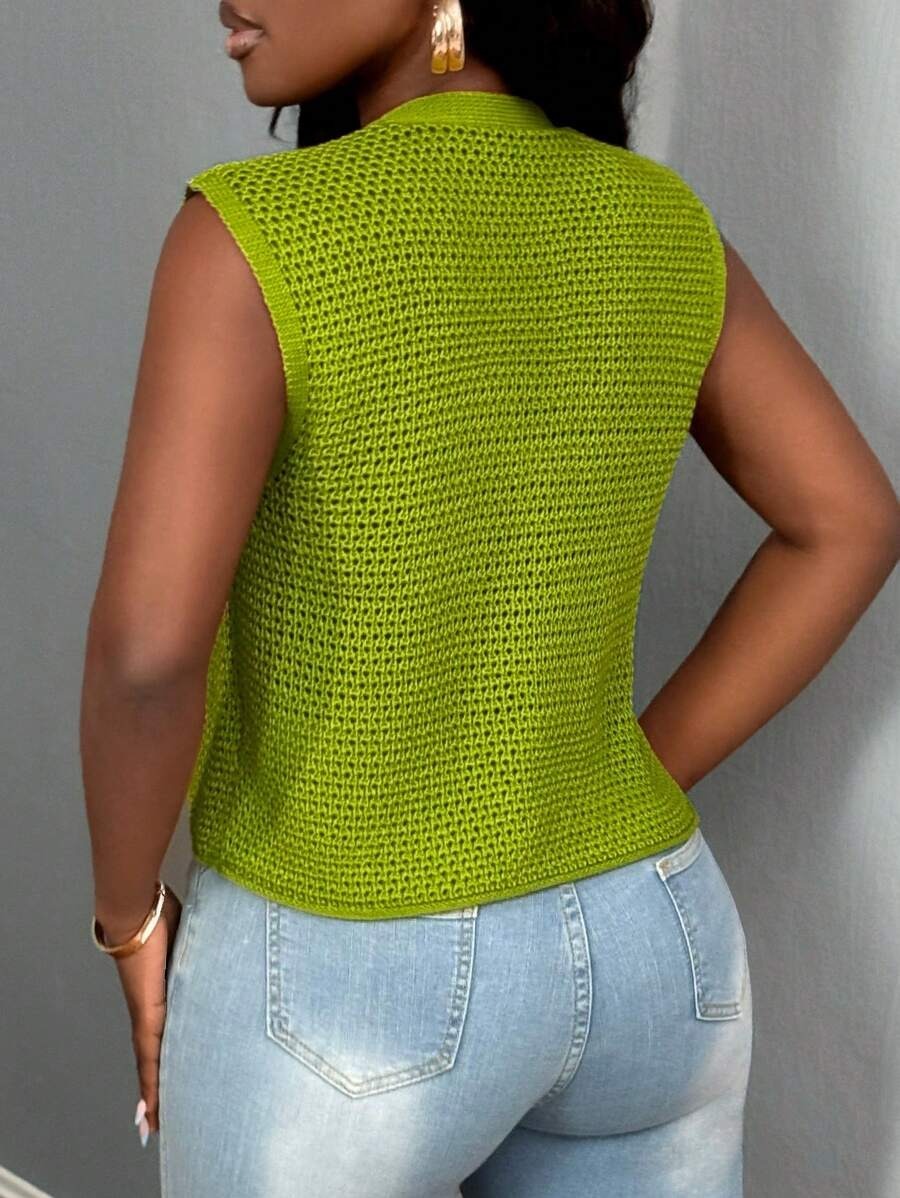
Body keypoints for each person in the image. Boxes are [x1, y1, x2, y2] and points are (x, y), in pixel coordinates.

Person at [79, 1, 900, 1195]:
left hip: (352, 976)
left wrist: (130, 919)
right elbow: (852, 522)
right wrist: (626, 778)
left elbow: (149, 655)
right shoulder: (660, 222)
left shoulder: (257, 231)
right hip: (653, 956)